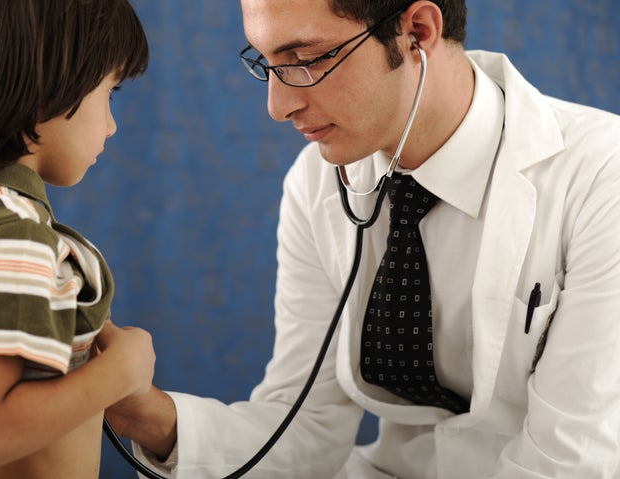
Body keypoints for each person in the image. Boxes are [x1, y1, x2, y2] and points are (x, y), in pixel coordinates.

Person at [105, 0, 620, 477]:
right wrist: (143, 413)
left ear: (417, 32)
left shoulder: (602, 178)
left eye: (305, 58)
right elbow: (305, 428)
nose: (277, 105)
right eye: (266, 63)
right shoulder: (317, 182)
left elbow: (568, 460)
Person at [0, 1, 157, 477]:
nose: (111, 124)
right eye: (111, 93)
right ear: (47, 83)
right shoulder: (10, 233)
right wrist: (122, 372)